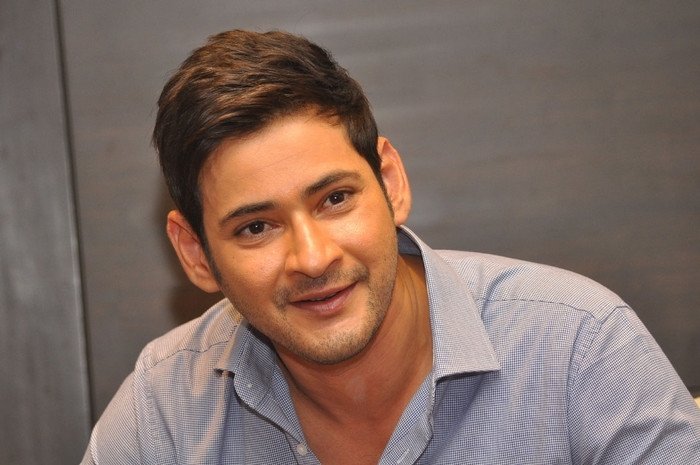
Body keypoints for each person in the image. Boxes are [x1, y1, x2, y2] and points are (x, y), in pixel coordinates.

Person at [82, 29, 700, 464]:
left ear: (391, 184)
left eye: (335, 199)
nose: (313, 258)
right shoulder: (164, 409)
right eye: (256, 228)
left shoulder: (579, 347)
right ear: (196, 255)